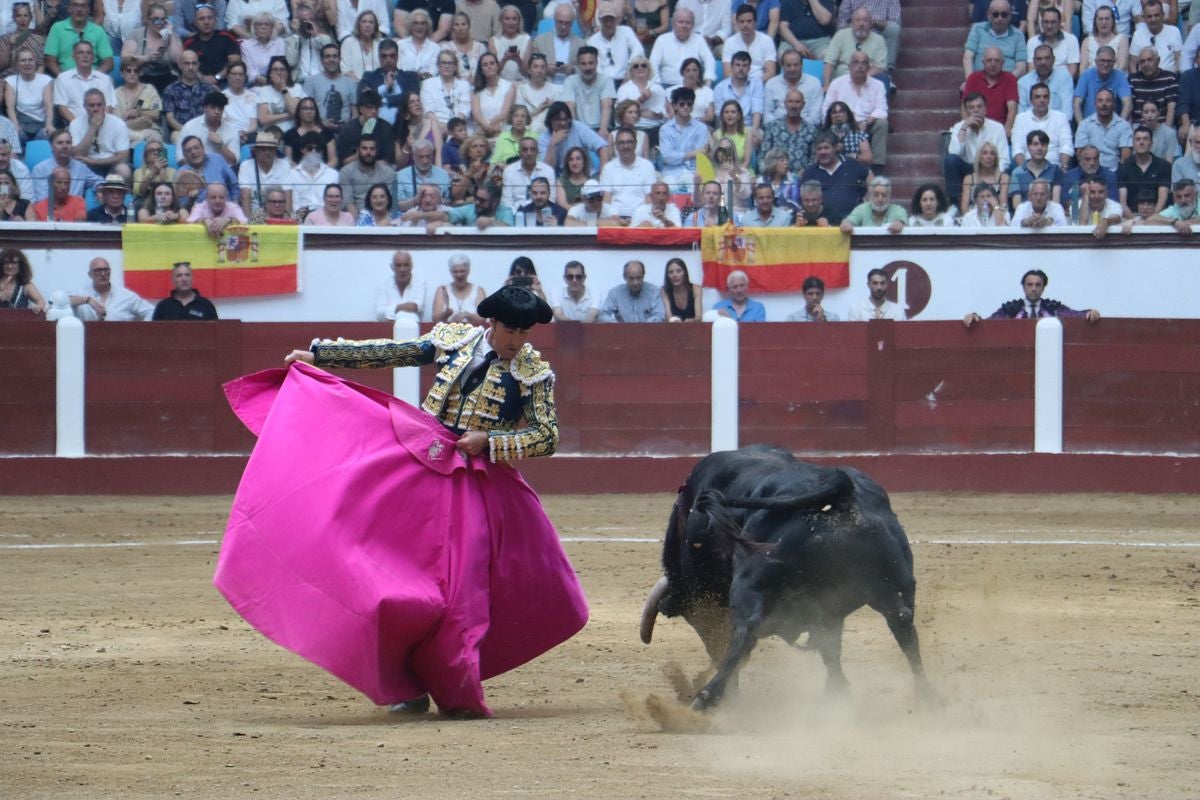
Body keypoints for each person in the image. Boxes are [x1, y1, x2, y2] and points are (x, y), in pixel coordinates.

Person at [259, 284, 584, 718]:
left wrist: (491, 441)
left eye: (526, 332)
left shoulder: (533, 372)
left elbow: (548, 437)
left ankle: (453, 683)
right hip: (422, 466)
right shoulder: (454, 341)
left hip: (476, 487)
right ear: (492, 322)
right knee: (389, 573)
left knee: (460, 592)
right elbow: (394, 351)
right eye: (511, 330)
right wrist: (320, 356)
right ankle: (405, 684)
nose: (518, 340)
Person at [963, 268, 1101, 326]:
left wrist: (1090, 313)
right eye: (1029, 285)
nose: (1033, 289)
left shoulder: (1053, 308)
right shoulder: (1011, 309)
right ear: (1023, 287)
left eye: (1037, 285)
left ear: (1043, 287)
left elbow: (1074, 315)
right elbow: (989, 324)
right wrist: (974, 317)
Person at [821, 50, 888, 168]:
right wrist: (849, 124)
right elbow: (826, 110)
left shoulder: (878, 85)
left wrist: (866, 122)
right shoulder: (837, 84)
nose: (860, 66)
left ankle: (877, 167)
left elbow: (882, 110)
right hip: (842, 125)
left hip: (866, 125)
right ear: (849, 66)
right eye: (856, 62)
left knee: (882, 124)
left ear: (868, 67)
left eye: (864, 63)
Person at [944, 92, 1010, 208]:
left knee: (1006, 172)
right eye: (971, 107)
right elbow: (954, 152)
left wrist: (993, 174)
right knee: (950, 160)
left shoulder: (997, 128)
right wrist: (964, 128)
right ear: (965, 111)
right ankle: (954, 204)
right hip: (968, 168)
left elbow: (1004, 158)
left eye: (979, 107)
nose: (976, 110)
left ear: (985, 109)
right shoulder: (959, 127)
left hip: (990, 168)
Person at [799, 130, 870, 222]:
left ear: (835, 148)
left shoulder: (851, 163)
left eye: (826, 148)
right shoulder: (809, 172)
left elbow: (869, 175)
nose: (823, 152)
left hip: (852, 220)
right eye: (819, 149)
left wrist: (869, 195)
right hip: (822, 223)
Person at [647, 8, 715, 91]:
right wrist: (658, 86)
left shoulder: (699, 40)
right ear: (673, 24)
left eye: (688, 22)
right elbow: (653, 64)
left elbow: (709, 61)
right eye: (680, 22)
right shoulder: (662, 40)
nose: (684, 26)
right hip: (666, 86)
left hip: (693, 88)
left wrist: (707, 83)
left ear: (693, 25)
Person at [1011, 81, 1073, 169]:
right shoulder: (1021, 119)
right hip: (1029, 168)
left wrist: (1063, 168)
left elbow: (1066, 146)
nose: (1042, 100)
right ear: (1031, 101)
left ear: (1049, 99)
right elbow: (1017, 148)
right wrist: (1025, 171)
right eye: (1037, 97)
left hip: (1055, 168)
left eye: (1045, 97)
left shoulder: (1061, 117)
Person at [69, 256, 155, 320]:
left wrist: (142, 331)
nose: (103, 274)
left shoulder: (126, 296)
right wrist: (87, 300)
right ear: (90, 275)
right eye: (98, 270)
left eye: (106, 270)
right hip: (87, 341)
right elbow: (59, 301)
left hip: (120, 340)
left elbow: (151, 311)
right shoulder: (81, 293)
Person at [598, 125, 656, 218]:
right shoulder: (608, 168)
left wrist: (641, 218)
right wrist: (614, 218)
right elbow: (606, 200)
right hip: (615, 216)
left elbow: (649, 199)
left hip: (640, 217)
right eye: (621, 143)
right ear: (616, 146)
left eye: (629, 142)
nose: (626, 146)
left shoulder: (647, 166)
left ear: (636, 144)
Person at [963, 0, 1027, 78]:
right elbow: (968, 57)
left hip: (1006, 84)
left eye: (1004, 15)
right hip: (979, 82)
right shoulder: (977, 29)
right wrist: (970, 81)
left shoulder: (1018, 35)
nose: (1000, 18)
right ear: (988, 15)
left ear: (1010, 16)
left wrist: (1005, 82)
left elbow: (1021, 67)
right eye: (995, 14)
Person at [1074, 87, 1134, 171]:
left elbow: (1126, 155)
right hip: (1089, 171)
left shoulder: (1124, 126)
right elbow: (1080, 153)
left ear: (1114, 104)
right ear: (1095, 104)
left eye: (1108, 100)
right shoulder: (1084, 125)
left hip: (1114, 172)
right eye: (1100, 100)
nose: (1104, 104)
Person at [303, 42, 357, 133]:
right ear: (321, 60)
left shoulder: (350, 83)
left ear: (340, 59)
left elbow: (355, 113)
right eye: (327, 56)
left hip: (344, 132)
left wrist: (349, 129)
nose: (331, 59)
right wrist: (321, 123)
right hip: (318, 131)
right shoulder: (311, 81)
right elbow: (304, 112)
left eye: (335, 56)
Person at [239, 129, 294, 217]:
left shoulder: (284, 165)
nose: (267, 152)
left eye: (270, 149)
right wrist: (249, 223)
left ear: (276, 151)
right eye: (263, 149)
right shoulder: (246, 166)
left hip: (278, 217)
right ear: (255, 151)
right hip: (255, 216)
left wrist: (285, 222)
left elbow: (287, 197)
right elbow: (245, 197)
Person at [963, 46, 1018, 135]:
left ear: (1003, 63)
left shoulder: (1010, 79)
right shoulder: (973, 78)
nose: (993, 64)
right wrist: (968, 126)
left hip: (1000, 129)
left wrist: (1007, 130)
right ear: (983, 62)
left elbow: (1012, 108)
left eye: (997, 60)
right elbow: (965, 106)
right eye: (989, 60)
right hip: (977, 127)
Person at [1117, 124, 1171, 214]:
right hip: (1132, 216)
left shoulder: (1163, 165)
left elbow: (1162, 199)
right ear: (1133, 143)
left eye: (1145, 139)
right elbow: (1123, 203)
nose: (1141, 142)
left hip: (1158, 215)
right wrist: (1135, 221)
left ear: (1151, 143)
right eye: (1138, 139)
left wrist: (1152, 219)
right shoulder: (1124, 167)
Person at [5, 45, 54, 143]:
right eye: (23, 60)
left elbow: (48, 105)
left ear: (35, 62)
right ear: (17, 64)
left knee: (47, 134)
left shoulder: (45, 80)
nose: (27, 63)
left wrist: (49, 124)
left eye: (30, 60)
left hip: (41, 124)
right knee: (14, 135)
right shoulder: (11, 81)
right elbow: (9, 107)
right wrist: (15, 126)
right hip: (21, 123)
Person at [761, 89, 817, 174]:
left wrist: (806, 173)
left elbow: (814, 158)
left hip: (802, 179)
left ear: (803, 105)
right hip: (775, 178)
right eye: (790, 102)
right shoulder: (772, 127)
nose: (793, 106)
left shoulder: (811, 130)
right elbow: (763, 155)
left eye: (797, 102)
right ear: (785, 104)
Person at [178, 90, 240, 167]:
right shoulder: (190, 127)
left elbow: (233, 161)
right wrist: (201, 168)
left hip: (222, 173)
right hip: (195, 172)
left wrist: (220, 145)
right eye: (213, 107)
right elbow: (180, 158)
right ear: (205, 108)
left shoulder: (232, 130)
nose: (217, 112)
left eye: (220, 108)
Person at [338, 134, 396, 214]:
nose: (368, 152)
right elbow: (348, 202)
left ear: (376, 151)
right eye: (364, 148)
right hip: (357, 215)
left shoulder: (388, 172)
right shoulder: (346, 172)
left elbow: (392, 201)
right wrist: (358, 222)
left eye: (372, 149)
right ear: (358, 150)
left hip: (382, 216)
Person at [765, 48, 824, 127]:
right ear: (782, 66)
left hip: (806, 130)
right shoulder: (771, 84)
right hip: (777, 130)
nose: (792, 69)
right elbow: (767, 114)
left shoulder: (814, 83)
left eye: (796, 65)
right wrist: (779, 129)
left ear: (801, 65)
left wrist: (797, 128)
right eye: (788, 65)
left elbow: (815, 116)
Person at [176, 133, 238, 203]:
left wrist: (235, 206)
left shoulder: (217, 159)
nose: (193, 152)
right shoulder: (181, 174)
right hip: (199, 212)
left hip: (226, 209)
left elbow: (234, 185)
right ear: (184, 155)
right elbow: (181, 203)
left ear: (203, 148)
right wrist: (191, 199)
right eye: (188, 151)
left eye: (196, 148)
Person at [163, 50, 208, 142]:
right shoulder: (171, 90)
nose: (191, 67)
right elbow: (170, 118)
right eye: (186, 64)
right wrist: (187, 131)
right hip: (180, 130)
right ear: (180, 65)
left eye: (194, 63)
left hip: (205, 130)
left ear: (198, 65)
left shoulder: (208, 90)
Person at [501, 134, 556, 209]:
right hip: (516, 213)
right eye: (524, 149)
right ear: (519, 153)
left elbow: (551, 199)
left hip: (541, 212)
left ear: (537, 152)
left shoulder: (548, 171)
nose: (529, 153)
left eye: (532, 149)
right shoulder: (509, 171)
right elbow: (506, 202)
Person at [599, 259, 663, 322]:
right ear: (625, 277)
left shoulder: (654, 292)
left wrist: (644, 326)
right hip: (622, 331)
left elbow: (660, 316)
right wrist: (615, 324)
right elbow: (603, 315)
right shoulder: (615, 293)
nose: (635, 282)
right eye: (631, 278)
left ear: (643, 276)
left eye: (639, 278)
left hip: (649, 331)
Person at [152, 261, 219, 320]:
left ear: (192, 279)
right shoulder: (163, 306)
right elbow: (154, 332)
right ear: (172, 280)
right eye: (179, 275)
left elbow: (216, 332)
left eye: (187, 275)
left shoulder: (206, 305)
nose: (184, 279)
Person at [839, 175, 906, 233]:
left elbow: (903, 222)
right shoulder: (862, 209)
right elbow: (849, 221)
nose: (880, 199)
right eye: (876, 195)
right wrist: (847, 224)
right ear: (870, 195)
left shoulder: (897, 210)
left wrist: (899, 223)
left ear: (889, 197)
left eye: (884, 195)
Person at [432, 253, 485, 324]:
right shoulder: (442, 290)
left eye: (462, 271)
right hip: (448, 332)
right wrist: (446, 314)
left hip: (472, 332)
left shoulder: (478, 291)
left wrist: (467, 315)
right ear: (450, 272)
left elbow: (482, 318)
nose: (459, 275)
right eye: (455, 272)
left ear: (468, 271)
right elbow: (435, 319)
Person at [374, 249, 425, 320]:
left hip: (412, 327)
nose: (402, 269)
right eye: (398, 265)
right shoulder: (383, 286)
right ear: (392, 267)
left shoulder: (420, 284)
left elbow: (415, 307)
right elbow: (379, 314)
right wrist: (399, 307)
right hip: (387, 328)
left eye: (406, 265)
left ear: (411, 267)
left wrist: (390, 312)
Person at [0, 248, 46, 312]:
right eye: (6, 262)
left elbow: (41, 302)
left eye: (14, 263)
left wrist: (38, 307)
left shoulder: (26, 286)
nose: (10, 266)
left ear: (21, 266)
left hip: (20, 321)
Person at [659, 256, 702, 322]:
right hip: (673, 328)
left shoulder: (696, 289)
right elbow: (668, 317)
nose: (675, 275)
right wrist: (676, 322)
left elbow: (698, 317)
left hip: (693, 327)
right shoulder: (664, 290)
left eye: (678, 271)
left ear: (685, 273)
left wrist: (689, 321)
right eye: (671, 272)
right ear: (667, 275)